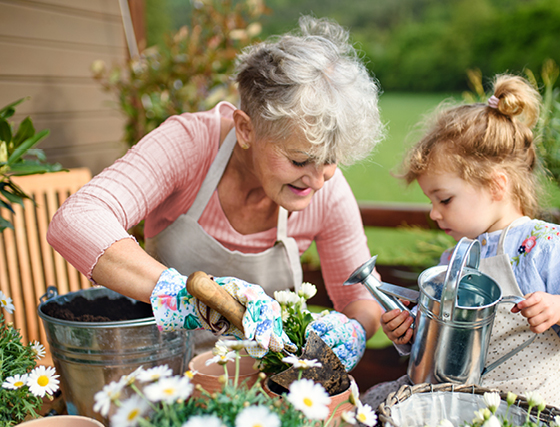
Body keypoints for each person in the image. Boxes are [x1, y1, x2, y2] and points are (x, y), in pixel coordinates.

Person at [47, 16, 384, 371]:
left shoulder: (326, 191)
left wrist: (354, 329)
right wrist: (180, 296)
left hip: (265, 387)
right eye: (300, 160)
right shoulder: (190, 146)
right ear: (245, 129)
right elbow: (77, 219)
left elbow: (361, 298)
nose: (318, 180)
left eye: (330, 160)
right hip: (163, 375)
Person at [378, 74, 560, 411]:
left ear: (496, 186)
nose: (434, 214)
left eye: (444, 200)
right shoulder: (457, 259)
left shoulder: (547, 245)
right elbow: (440, 339)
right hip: (458, 405)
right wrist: (410, 329)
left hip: (527, 407)